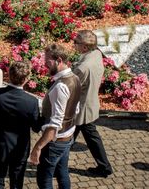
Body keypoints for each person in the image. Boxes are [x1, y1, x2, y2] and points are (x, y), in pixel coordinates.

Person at [0, 61, 40, 189]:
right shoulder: (32, 102)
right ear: (26, 79)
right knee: (17, 181)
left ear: (9, 74)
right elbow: (36, 127)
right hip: (20, 147)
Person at [29, 43, 81, 189]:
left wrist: (38, 147)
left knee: (44, 178)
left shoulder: (60, 86)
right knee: (62, 172)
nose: (45, 64)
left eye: (48, 61)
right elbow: (76, 107)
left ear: (59, 60)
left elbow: (55, 124)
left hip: (56, 142)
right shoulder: (75, 78)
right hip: (68, 136)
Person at [72, 31, 113, 178]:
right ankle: (104, 166)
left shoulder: (83, 68)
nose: (73, 44)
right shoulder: (96, 54)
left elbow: (71, 87)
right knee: (86, 136)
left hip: (81, 109)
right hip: (90, 104)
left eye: (76, 42)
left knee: (74, 137)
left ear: (84, 47)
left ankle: (105, 167)